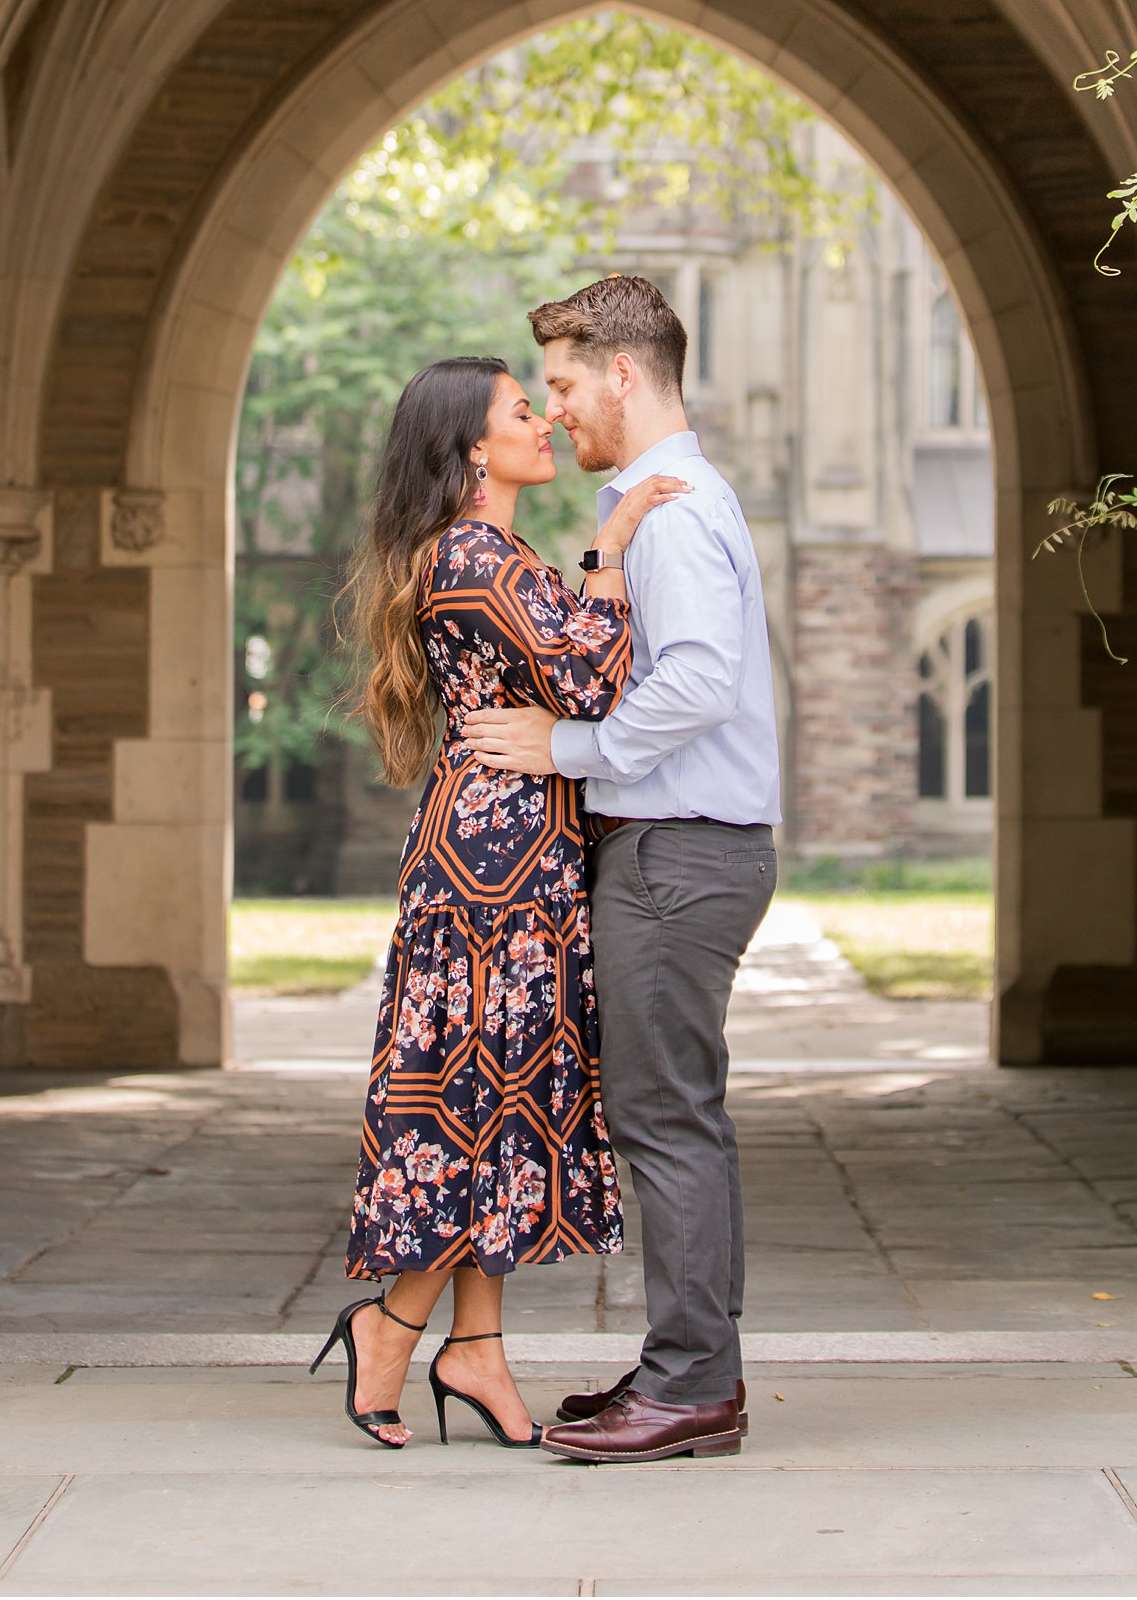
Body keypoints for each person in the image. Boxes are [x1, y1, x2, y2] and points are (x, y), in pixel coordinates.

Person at [319, 354, 684, 1450]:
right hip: (493, 867)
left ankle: (474, 1347)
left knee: (506, 1096)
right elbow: (595, 678)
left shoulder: (488, 551)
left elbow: (564, 672)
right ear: (474, 449)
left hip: (517, 851)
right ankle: (392, 1326)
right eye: (521, 411)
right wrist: (610, 551)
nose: (542, 421)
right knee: (478, 1100)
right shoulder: (473, 557)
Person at [462, 276, 781, 1467]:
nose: (553, 409)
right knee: (667, 1112)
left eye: (559, 382)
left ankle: (694, 1385)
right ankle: (685, 1370)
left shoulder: (682, 508)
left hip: (678, 851)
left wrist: (569, 748)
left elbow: (696, 678)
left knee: (665, 1117)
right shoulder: (658, 505)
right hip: (674, 849)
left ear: (623, 373)